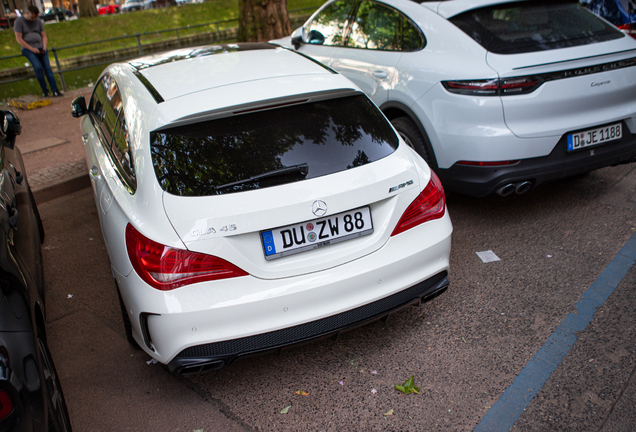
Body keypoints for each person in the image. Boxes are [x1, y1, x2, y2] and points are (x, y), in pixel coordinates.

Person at [14, 6, 62, 98]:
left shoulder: (38, 21)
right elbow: (19, 39)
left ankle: (55, 90)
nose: (33, 20)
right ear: (27, 13)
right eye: (32, 17)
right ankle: (45, 91)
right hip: (28, 49)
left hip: (40, 47)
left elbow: (43, 35)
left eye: (35, 18)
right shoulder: (19, 22)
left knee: (47, 68)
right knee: (38, 67)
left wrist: (44, 46)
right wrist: (31, 49)